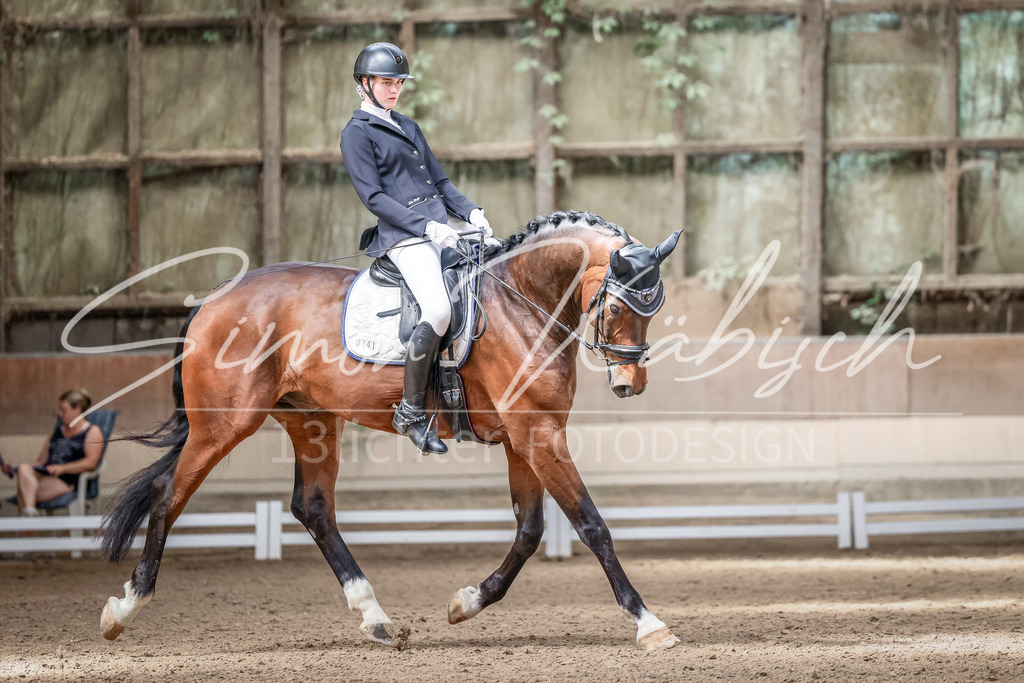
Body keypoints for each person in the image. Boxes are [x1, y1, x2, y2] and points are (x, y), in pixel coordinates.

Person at [340, 42, 493, 456]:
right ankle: (410, 411)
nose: (394, 90)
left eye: (398, 83)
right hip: (404, 236)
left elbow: (440, 184)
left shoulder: (408, 126)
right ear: (365, 84)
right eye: (387, 83)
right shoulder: (356, 133)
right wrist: (427, 226)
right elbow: (373, 198)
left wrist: (471, 213)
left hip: (441, 226)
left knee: (495, 268)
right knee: (439, 310)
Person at [0, 389, 104, 516]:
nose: (61, 414)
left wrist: (63, 468)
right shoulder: (57, 432)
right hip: (46, 475)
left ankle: (26, 529)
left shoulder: (92, 432)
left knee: (24, 490)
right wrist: (14, 469)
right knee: (24, 469)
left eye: (64, 410)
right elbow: (40, 462)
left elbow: (91, 463)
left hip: (69, 481)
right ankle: (29, 512)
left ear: (76, 410)